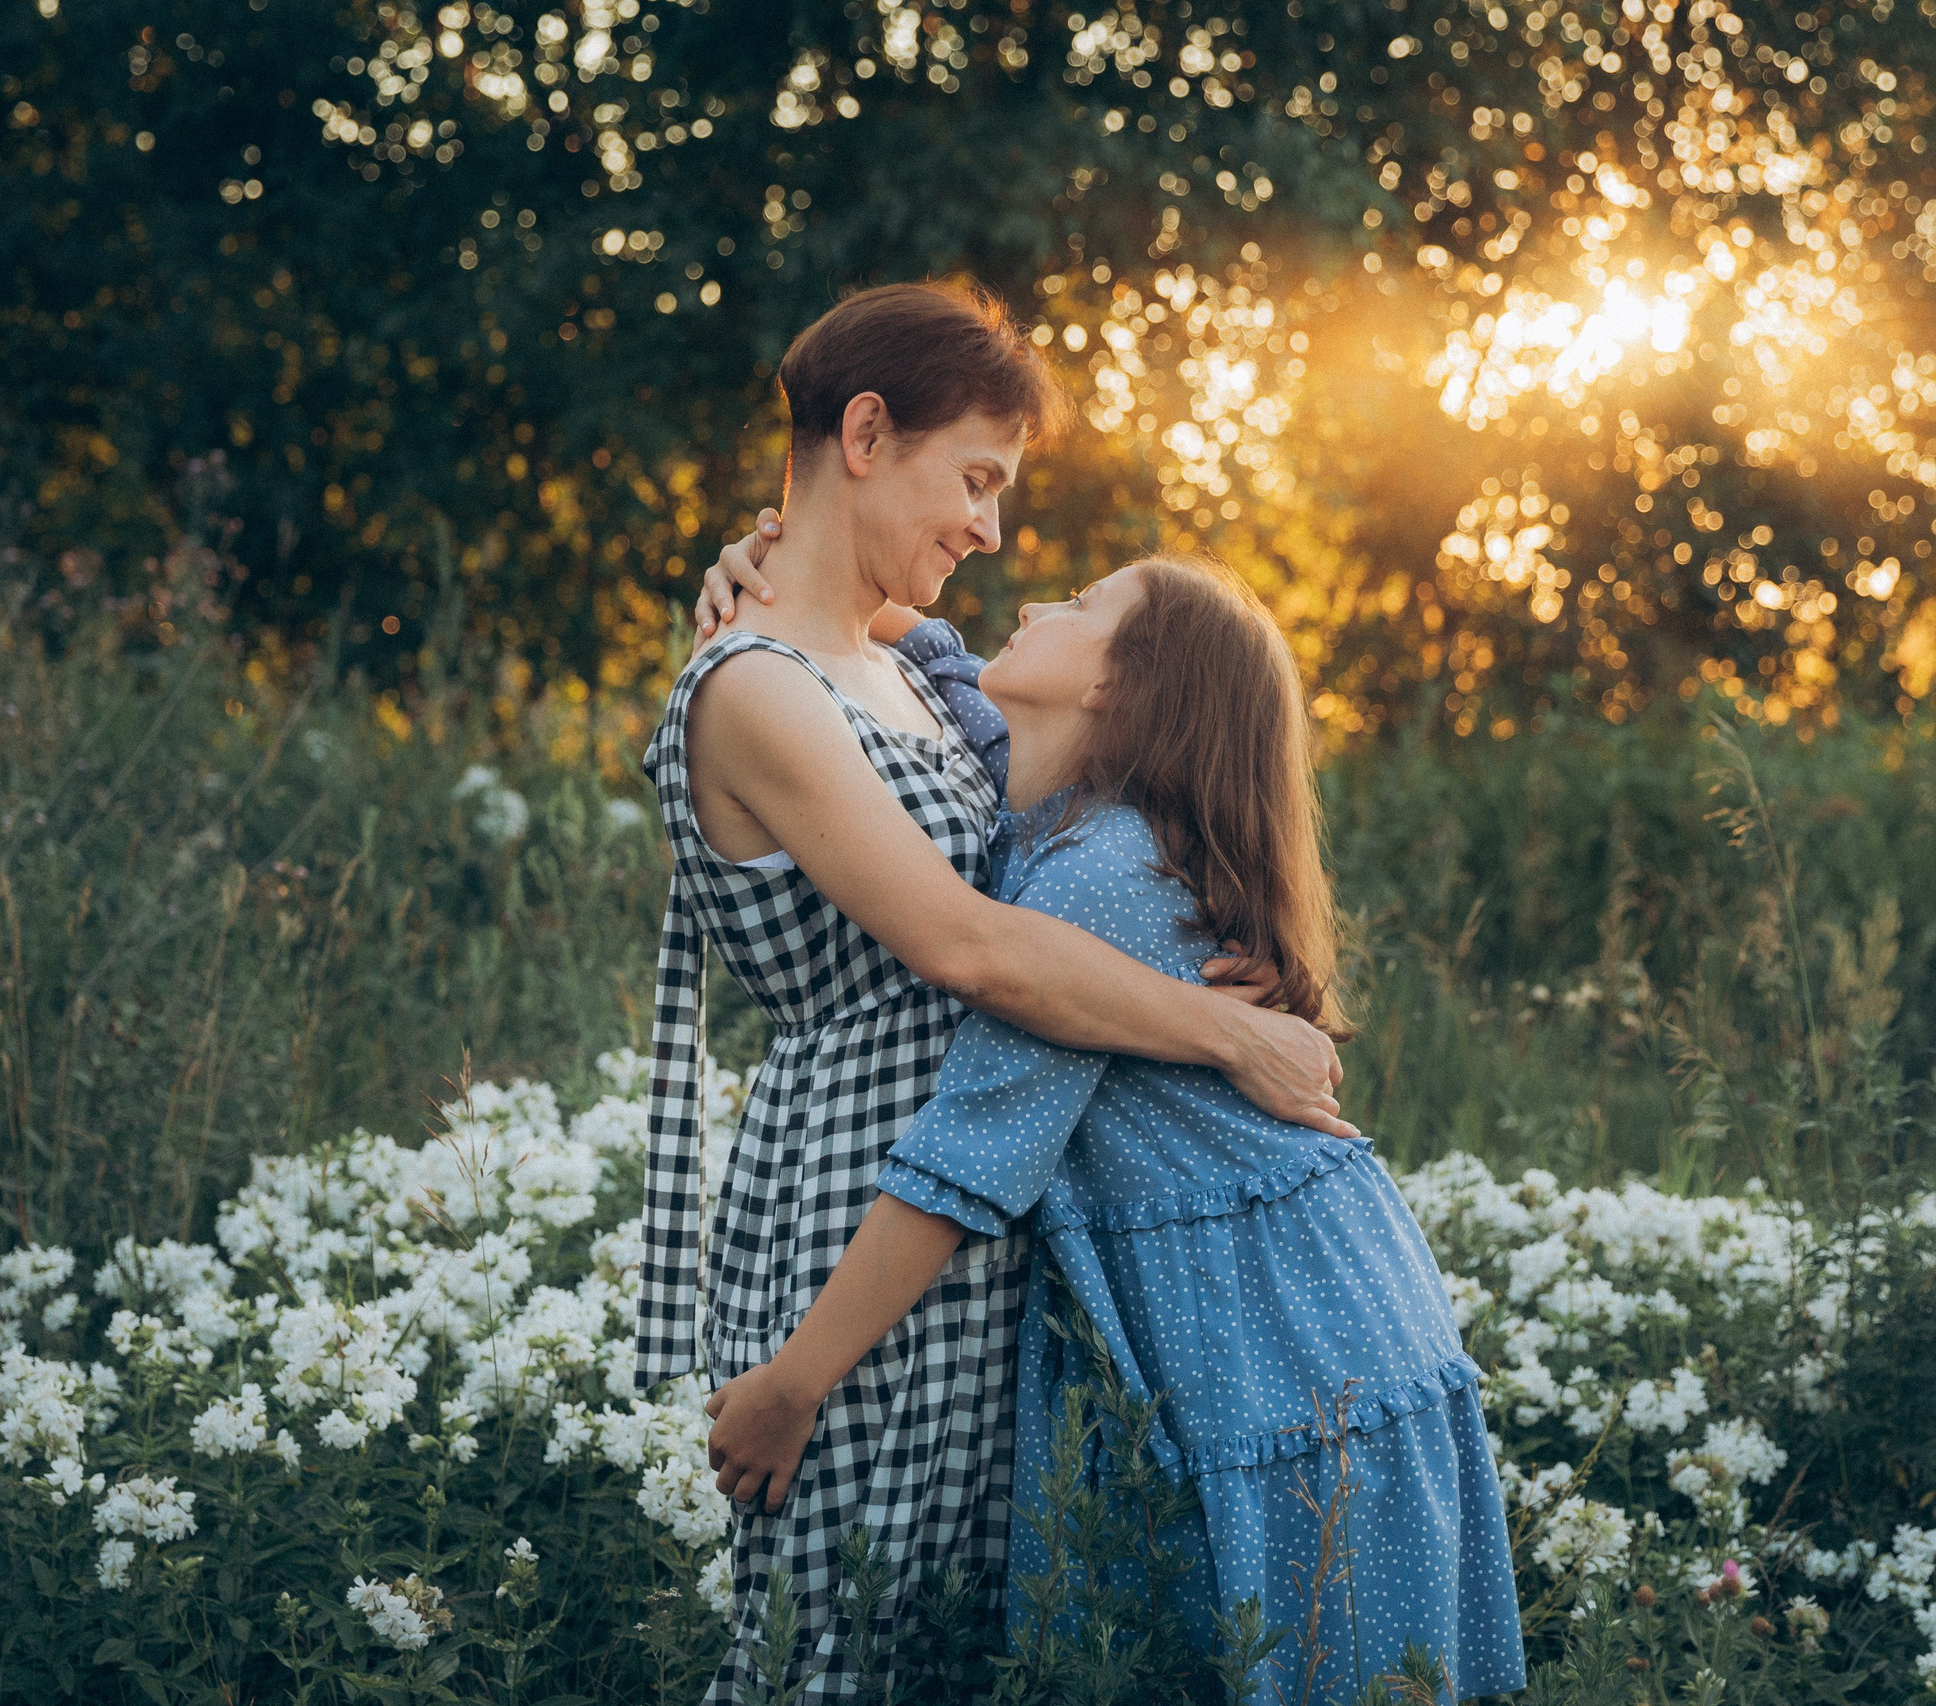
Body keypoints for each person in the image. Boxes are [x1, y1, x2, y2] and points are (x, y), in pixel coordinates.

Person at [643, 281, 1355, 1703]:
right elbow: (966, 946)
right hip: (858, 1199)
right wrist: (1229, 1034)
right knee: (835, 1640)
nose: (988, 528)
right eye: (973, 478)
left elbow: (1113, 764)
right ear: (864, 434)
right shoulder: (755, 689)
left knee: (967, 1644)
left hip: (995, 1211)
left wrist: (1237, 945)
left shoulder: (904, 665)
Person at [699, 554, 1529, 1703]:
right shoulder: (1052, 807)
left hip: (1282, 1350)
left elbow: (965, 1163)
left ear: (1114, 687)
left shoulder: (1101, 871)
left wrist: (793, 1383)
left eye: (1081, 604)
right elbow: (918, 644)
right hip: (1287, 1312)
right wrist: (774, 561)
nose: (1035, 601)